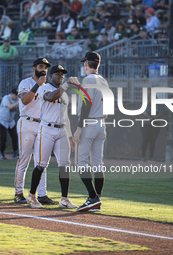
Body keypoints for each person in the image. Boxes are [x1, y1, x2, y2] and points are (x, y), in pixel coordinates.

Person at [26, 65, 78, 209]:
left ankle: (64, 199)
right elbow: (50, 97)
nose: (60, 76)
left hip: (61, 130)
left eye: (62, 74)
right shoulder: (44, 88)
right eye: (57, 74)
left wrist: (69, 136)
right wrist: (67, 85)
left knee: (65, 165)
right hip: (47, 129)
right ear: (51, 76)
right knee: (42, 164)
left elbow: (65, 117)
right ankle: (31, 195)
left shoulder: (64, 93)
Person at [14, 57, 58, 206]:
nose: (43, 69)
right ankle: (18, 193)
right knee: (24, 159)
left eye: (45, 67)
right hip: (27, 122)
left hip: (42, 125)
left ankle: (42, 195)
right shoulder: (26, 83)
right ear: (34, 68)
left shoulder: (49, 86)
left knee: (41, 162)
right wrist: (37, 86)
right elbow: (25, 101)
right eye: (40, 66)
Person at [73, 51, 106, 212]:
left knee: (81, 164)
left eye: (84, 63)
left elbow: (86, 104)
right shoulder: (103, 80)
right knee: (98, 164)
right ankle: (97, 201)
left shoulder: (88, 79)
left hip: (89, 125)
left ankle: (93, 198)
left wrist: (79, 128)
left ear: (86, 63)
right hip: (101, 124)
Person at [0, 89, 19, 160]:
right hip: (2, 120)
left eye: (17, 95)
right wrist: (19, 102)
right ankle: (2, 154)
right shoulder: (6, 98)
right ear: (11, 94)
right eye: (15, 94)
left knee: (15, 137)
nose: (16, 96)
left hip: (11, 121)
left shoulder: (18, 99)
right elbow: (10, 107)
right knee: (3, 137)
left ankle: (15, 153)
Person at [141, 96, 164, 161]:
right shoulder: (146, 104)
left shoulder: (159, 104)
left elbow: (160, 114)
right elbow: (142, 111)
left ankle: (151, 157)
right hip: (146, 124)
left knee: (152, 141)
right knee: (145, 139)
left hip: (155, 123)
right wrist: (147, 116)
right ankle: (143, 156)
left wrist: (153, 118)